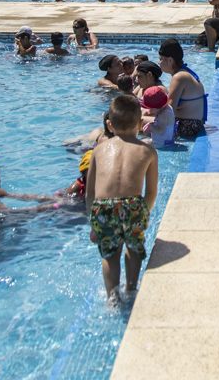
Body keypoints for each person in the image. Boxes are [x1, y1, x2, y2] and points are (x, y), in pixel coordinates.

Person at [85, 96, 159, 302]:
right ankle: (131, 289)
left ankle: (113, 298)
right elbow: (151, 192)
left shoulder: (98, 151)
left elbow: (90, 193)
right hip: (133, 205)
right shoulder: (148, 151)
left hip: (104, 207)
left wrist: (93, 223)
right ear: (140, 123)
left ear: (109, 125)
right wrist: (144, 214)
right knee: (133, 249)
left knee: (110, 255)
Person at [158, 39, 208, 138]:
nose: (159, 62)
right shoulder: (186, 72)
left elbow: (169, 111)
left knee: (141, 121)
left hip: (186, 126)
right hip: (195, 124)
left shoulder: (179, 77)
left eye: (160, 59)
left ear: (170, 60)